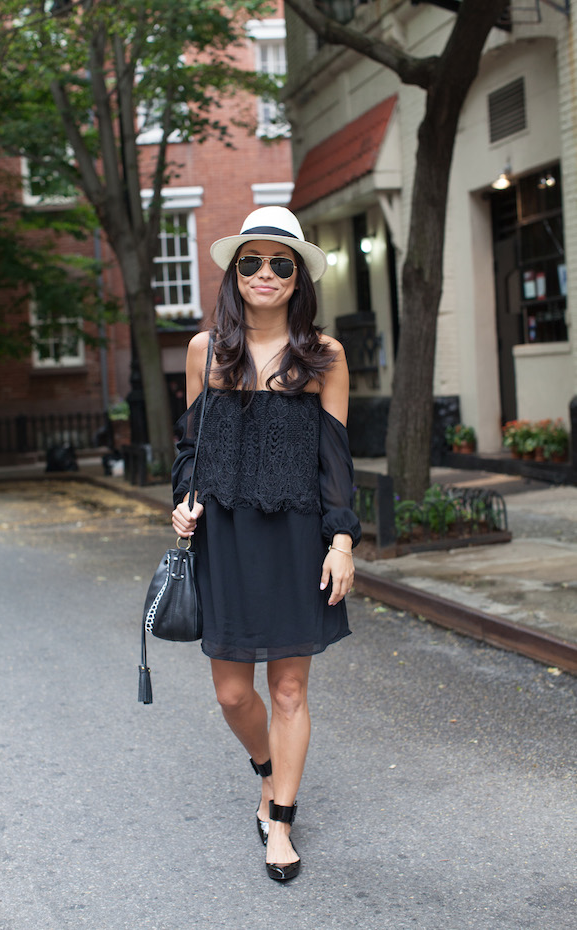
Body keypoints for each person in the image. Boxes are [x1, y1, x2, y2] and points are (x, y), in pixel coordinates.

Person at [171, 206, 361, 882]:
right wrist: (183, 502)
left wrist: (341, 539)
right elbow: (191, 448)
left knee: (286, 690)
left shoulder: (324, 356)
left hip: (295, 537)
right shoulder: (206, 351)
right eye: (251, 261)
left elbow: (336, 458)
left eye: (281, 263)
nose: (265, 273)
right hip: (223, 536)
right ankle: (267, 768)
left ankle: (280, 820)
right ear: (235, 272)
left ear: (299, 276)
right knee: (231, 694)